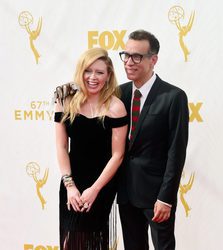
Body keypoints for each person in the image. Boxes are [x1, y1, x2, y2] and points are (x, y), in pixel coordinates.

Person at [116, 30, 189, 250]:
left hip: (157, 196)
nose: (129, 62)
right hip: (126, 193)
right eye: (125, 55)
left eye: (136, 56)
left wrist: (166, 198)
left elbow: (176, 152)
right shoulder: (119, 93)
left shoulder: (173, 97)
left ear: (153, 59)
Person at [54, 47, 128, 250]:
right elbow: (61, 146)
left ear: (108, 75)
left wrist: (95, 189)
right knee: (71, 241)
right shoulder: (65, 100)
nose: (93, 77)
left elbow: (118, 154)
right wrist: (69, 186)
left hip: (102, 183)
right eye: (88, 71)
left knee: (91, 241)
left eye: (99, 72)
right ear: (81, 71)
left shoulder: (115, 107)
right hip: (71, 182)